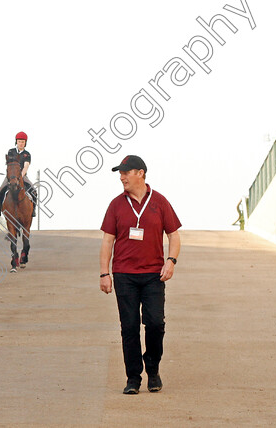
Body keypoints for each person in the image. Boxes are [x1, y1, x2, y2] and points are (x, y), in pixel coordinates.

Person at [99, 155, 181, 395]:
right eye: (120, 173)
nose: (122, 177)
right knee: (130, 327)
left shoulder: (160, 202)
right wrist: (105, 272)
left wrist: (171, 261)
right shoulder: (116, 204)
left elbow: (174, 235)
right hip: (124, 275)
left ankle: (153, 368)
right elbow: (107, 240)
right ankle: (133, 377)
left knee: (155, 323)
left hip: (154, 275)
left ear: (141, 173)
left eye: (126, 172)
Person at [0, 131, 36, 217]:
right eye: (19, 141)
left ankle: (33, 210)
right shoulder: (11, 151)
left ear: (25, 143)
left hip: (22, 175)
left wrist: (20, 176)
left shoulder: (27, 154)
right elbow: (10, 164)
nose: (21, 143)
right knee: (1, 189)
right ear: (16, 142)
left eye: (23, 142)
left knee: (33, 190)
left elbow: (26, 166)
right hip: (11, 176)